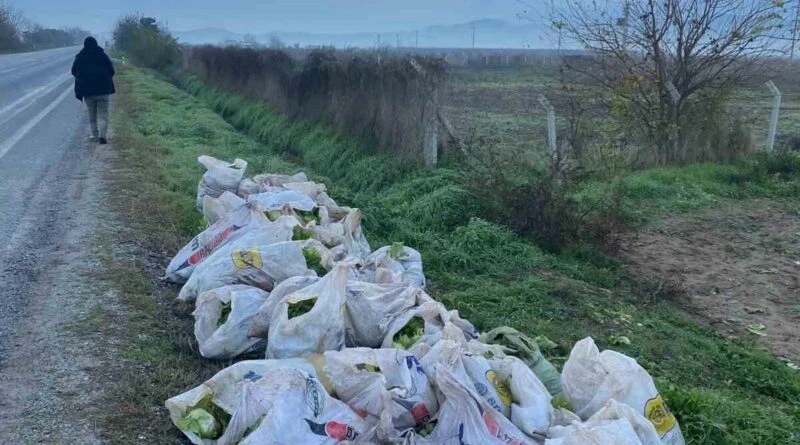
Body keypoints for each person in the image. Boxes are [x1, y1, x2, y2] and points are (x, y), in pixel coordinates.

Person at [71, 36, 115, 145]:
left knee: (92, 114)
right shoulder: (102, 55)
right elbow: (112, 70)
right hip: (104, 90)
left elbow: (73, 71)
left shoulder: (80, 57)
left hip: (88, 92)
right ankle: (103, 135)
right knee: (103, 114)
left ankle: (95, 135)